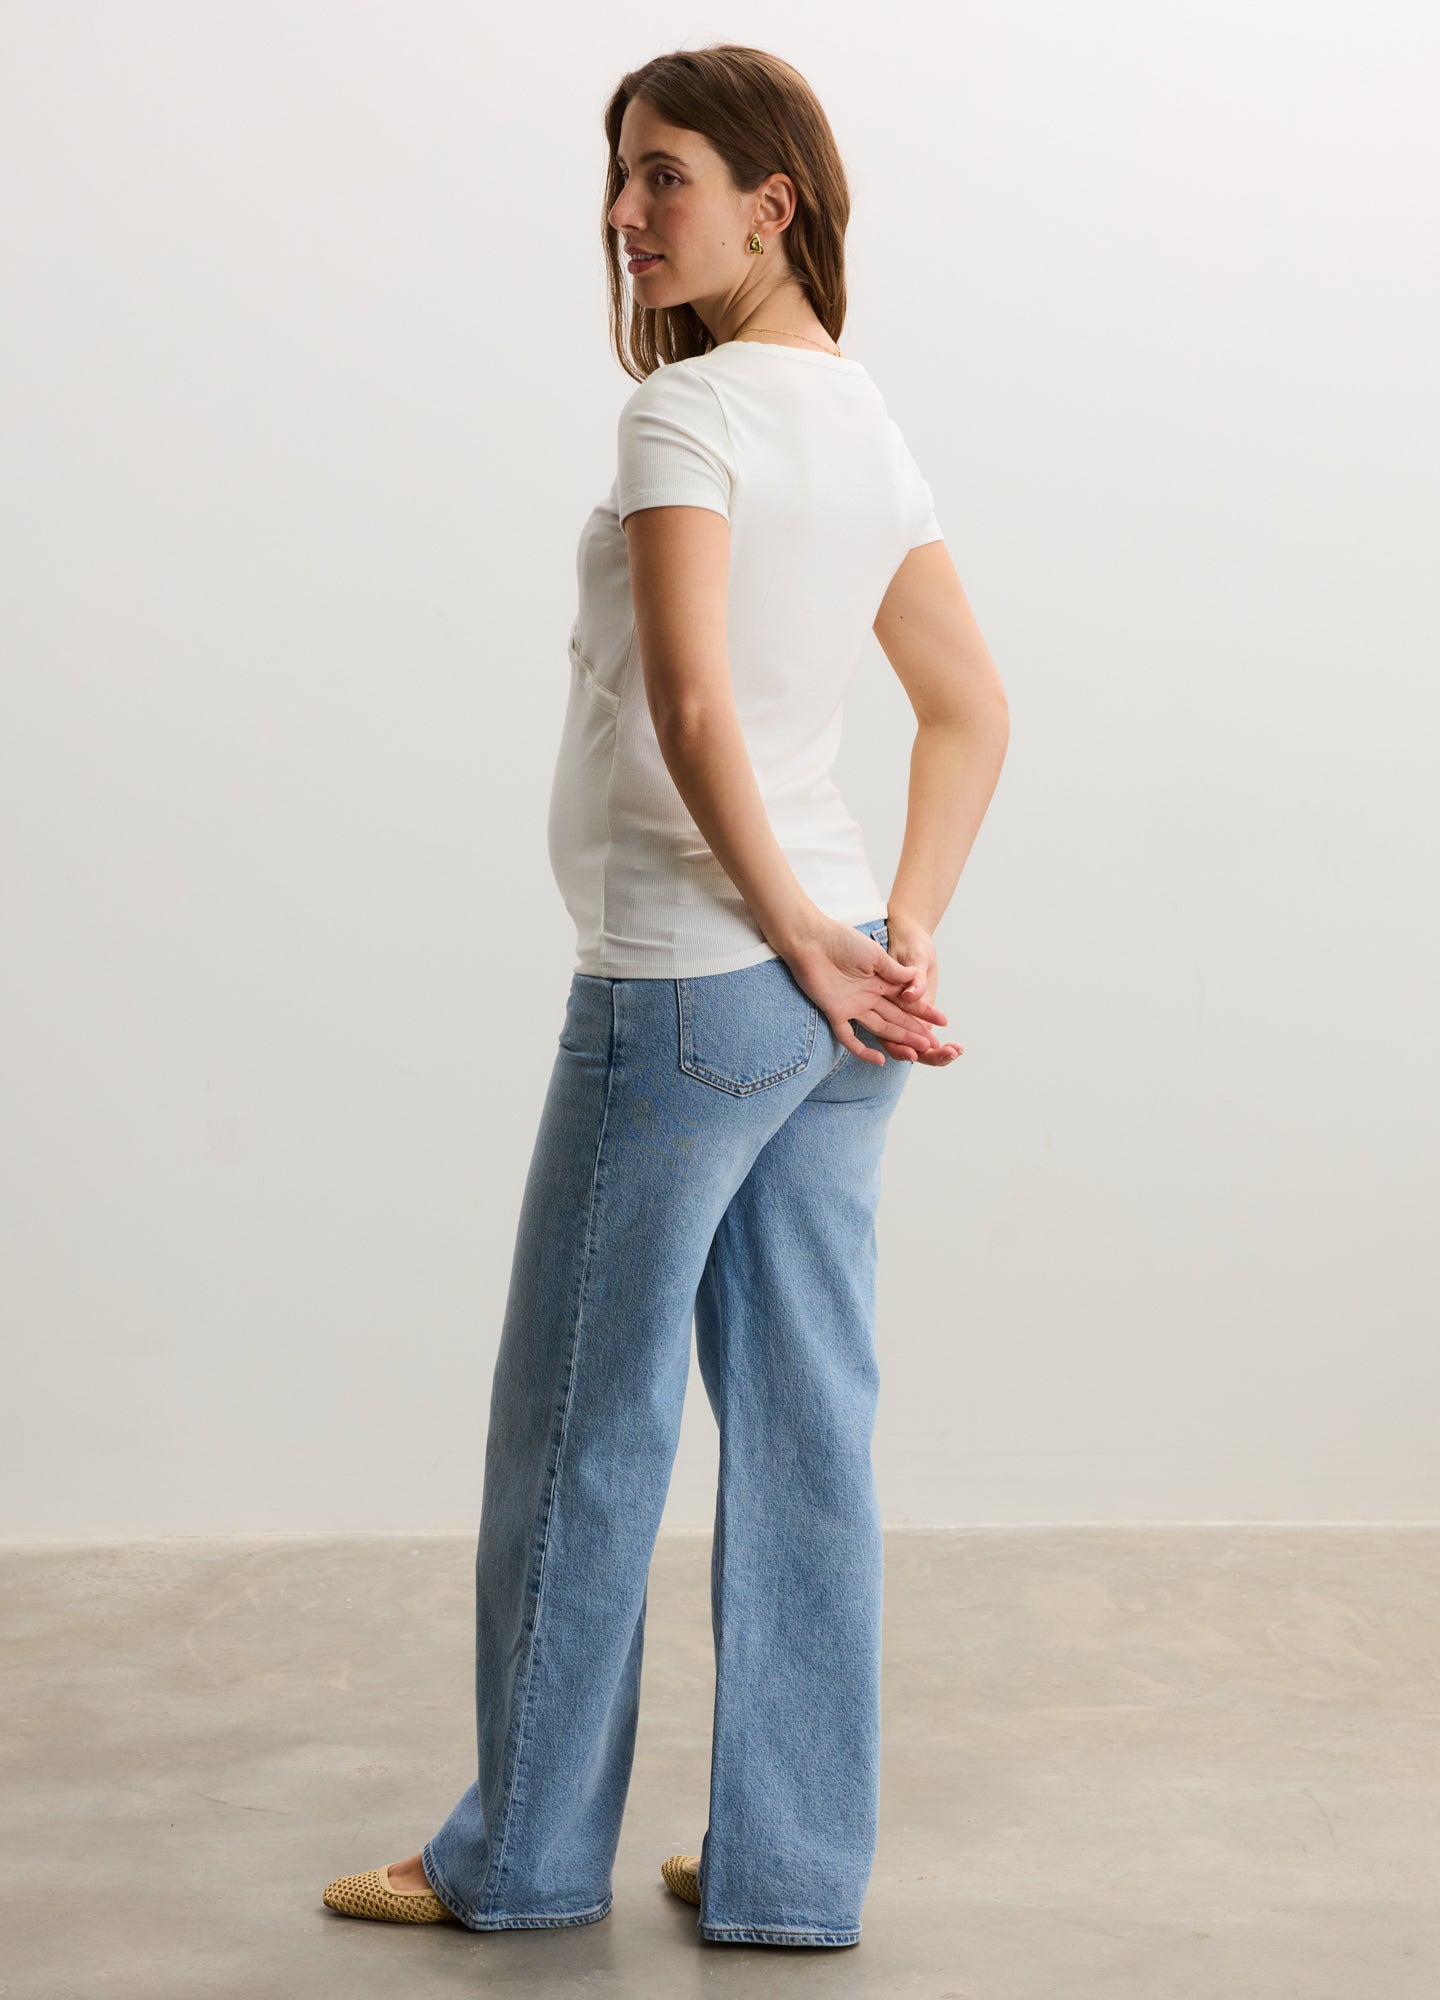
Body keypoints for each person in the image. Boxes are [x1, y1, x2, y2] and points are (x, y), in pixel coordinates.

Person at [323, 41, 1008, 1951]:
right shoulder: (860, 420)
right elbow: (975, 709)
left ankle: (522, 1859)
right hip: (833, 999)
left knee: (580, 1425)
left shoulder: (689, 418)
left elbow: (699, 707)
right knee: (808, 1427)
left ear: (769, 204)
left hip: (690, 994)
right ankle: (792, 1875)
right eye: (617, 180)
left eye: (666, 177)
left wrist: (798, 928)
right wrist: (897, 925)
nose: (626, 217)